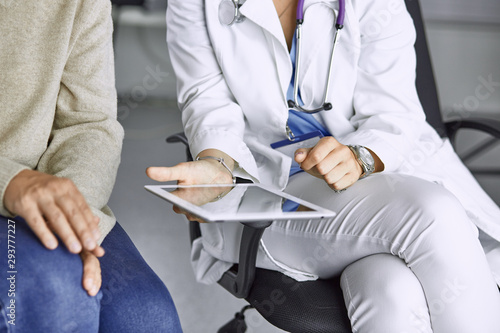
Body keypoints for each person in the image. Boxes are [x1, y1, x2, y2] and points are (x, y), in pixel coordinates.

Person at [148, 0, 500, 331]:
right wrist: (218, 164)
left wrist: (361, 156)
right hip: (272, 193)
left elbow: (395, 111)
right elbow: (207, 101)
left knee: (391, 287)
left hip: (383, 175)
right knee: (434, 214)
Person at [0, 1, 182, 332]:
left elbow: (89, 123)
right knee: (56, 290)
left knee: (148, 315)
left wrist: (74, 220)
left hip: (44, 194)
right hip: (9, 187)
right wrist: (9, 182)